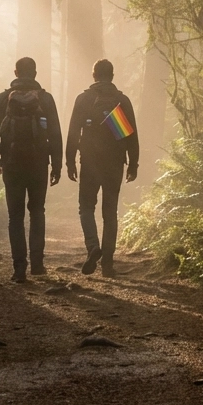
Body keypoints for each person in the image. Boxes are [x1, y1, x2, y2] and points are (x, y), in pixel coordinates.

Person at [0, 56, 62, 282]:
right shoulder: (46, 99)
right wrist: (56, 165)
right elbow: (55, 134)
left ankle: (19, 268)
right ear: (35, 74)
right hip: (39, 163)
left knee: (15, 216)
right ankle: (37, 264)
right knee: (37, 211)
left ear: (16, 72)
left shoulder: (3, 99)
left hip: (12, 162)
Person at [66, 59, 139, 277]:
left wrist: (69, 161)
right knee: (110, 212)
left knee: (86, 207)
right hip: (115, 163)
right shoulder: (122, 100)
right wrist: (133, 164)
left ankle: (93, 247)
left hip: (89, 162)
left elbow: (73, 133)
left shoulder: (83, 99)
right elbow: (132, 136)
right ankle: (108, 265)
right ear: (112, 75)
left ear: (94, 75)